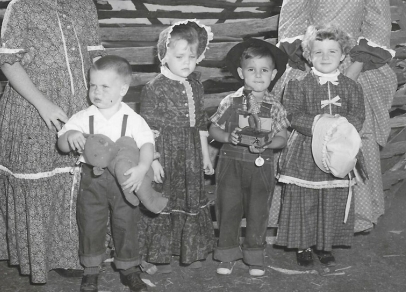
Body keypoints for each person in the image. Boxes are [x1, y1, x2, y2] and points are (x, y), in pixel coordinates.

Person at [0, 0, 105, 284]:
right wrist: (44, 105)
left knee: (73, 179)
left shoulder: (85, 6)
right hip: (32, 108)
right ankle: (34, 252)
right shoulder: (22, 7)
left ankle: (71, 252)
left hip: (78, 105)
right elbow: (10, 63)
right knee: (39, 178)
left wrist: (102, 103)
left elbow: (95, 59)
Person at [273, 0, 397, 233]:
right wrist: (315, 63)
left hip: (356, 64)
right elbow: (293, 17)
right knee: (303, 128)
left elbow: (376, 21)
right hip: (313, 59)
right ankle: (299, 214)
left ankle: (353, 214)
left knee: (358, 129)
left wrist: (353, 69)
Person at [58, 55, 154, 292]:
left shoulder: (132, 119)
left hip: (124, 181)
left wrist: (142, 168)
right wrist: (70, 137)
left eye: (104, 86)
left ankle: (129, 270)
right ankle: (91, 272)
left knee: (126, 224)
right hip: (92, 181)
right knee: (90, 223)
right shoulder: (83, 117)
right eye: (92, 85)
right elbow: (61, 143)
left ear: (123, 89)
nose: (96, 92)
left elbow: (147, 145)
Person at [276, 25, 365, 267]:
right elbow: (292, 116)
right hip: (306, 150)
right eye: (318, 52)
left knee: (332, 198)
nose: (325, 58)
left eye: (332, 52)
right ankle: (303, 244)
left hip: (339, 152)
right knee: (305, 198)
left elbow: (358, 116)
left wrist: (343, 127)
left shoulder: (351, 87)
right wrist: (320, 123)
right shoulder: (298, 84)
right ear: (308, 55)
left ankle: (324, 245)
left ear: (343, 56)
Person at [138, 20, 215, 273]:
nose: (187, 62)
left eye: (192, 57)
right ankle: (154, 252)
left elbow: (201, 123)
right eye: (180, 56)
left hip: (191, 152)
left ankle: (186, 248)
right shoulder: (154, 87)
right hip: (166, 152)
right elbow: (148, 129)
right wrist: (154, 160)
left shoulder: (196, 85)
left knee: (189, 196)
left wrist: (205, 156)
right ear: (164, 55)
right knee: (165, 197)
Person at [209, 39, 289, 276]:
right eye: (251, 70)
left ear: (273, 74)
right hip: (230, 166)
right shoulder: (229, 101)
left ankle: (255, 254)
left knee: (258, 211)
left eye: (264, 70)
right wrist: (225, 136)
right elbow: (213, 128)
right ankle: (227, 253)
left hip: (260, 168)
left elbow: (282, 138)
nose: (257, 75)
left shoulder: (275, 107)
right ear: (240, 72)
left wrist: (268, 143)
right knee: (228, 209)